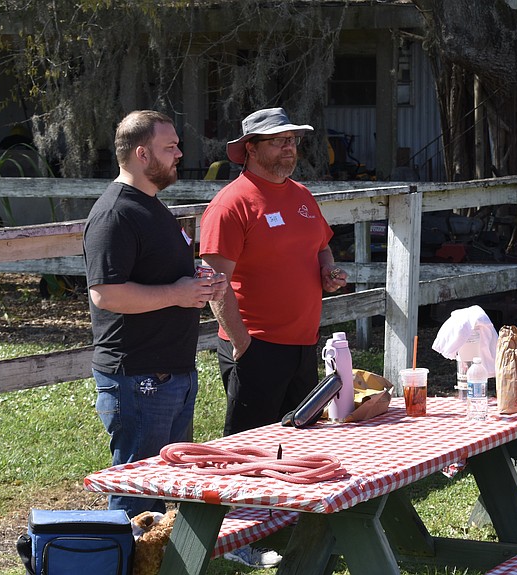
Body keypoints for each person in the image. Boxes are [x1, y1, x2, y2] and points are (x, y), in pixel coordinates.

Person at [199, 107, 346, 568]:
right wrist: (242, 343)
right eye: (279, 140)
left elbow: (319, 243)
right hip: (255, 343)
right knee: (246, 447)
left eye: (293, 140)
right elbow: (213, 283)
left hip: (304, 342)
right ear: (251, 149)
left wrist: (327, 272)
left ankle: (281, 522)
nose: (290, 147)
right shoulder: (232, 202)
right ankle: (235, 537)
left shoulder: (302, 195)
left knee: (296, 442)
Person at [83, 110, 226, 518]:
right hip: (138, 376)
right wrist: (178, 293)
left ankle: (160, 560)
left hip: (171, 373)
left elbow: (162, 276)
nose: (180, 153)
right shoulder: (115, 214)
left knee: (166, 484)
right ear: (142, 154)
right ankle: (124, 561)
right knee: (138, 492)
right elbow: (106, 294)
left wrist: (199, 282)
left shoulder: (153, 207)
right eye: (171, 147)